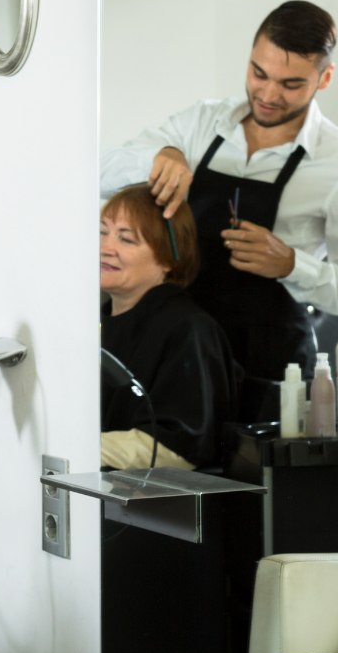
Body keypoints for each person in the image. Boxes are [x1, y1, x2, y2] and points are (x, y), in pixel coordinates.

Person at [100, 1, 338, 384]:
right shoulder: (199, 124)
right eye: (259, 73)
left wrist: (293, 265)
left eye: (291, 84)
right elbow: (98, 174)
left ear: (324, 79)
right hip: (176, 352)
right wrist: (161, 156)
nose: (269, 94)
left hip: (269, 367)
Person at [100, 185, 238, 469]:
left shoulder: (189, 330)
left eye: (125, 239)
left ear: (166, 257)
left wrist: (76, 446)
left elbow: (178, 446)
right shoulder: (95, 322)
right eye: (102, 233)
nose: (104, 248)